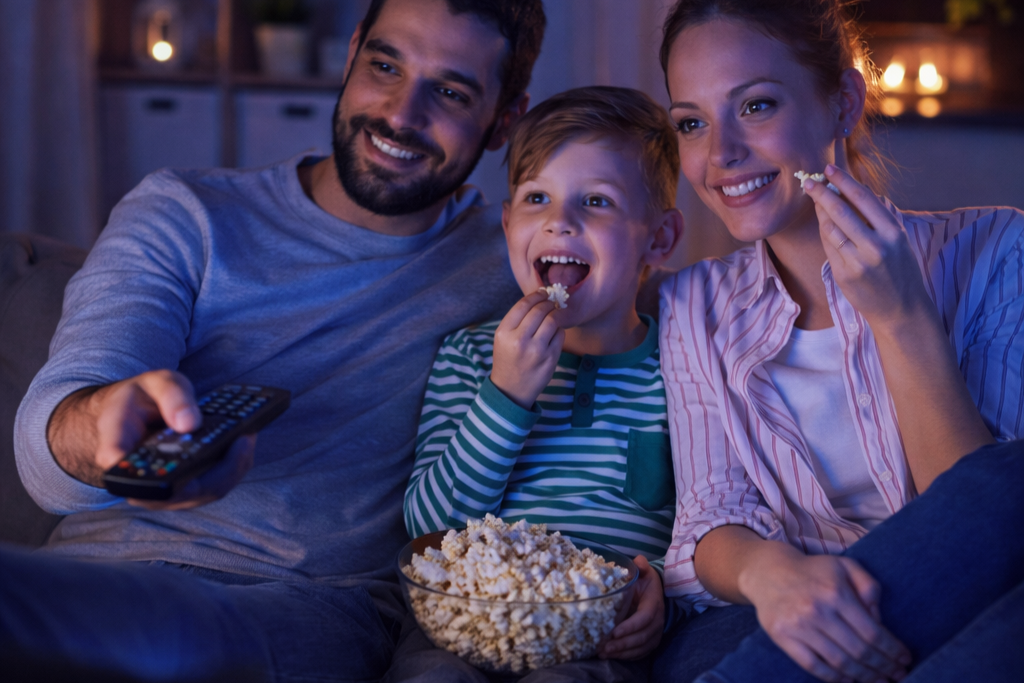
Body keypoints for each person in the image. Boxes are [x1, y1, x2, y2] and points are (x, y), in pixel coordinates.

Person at [3, 0, 546, 680]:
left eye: (451, 93)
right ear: (351, 54)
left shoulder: (522, 259)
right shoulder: (183, 212)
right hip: (93, 579)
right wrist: (101, 430)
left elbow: (652, 287)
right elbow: (51, 443)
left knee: (177, 636)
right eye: (384, 66)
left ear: (505, 119)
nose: (401, 114)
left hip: (300, 606)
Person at [650, 1, 1024, 682]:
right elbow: (709, 516)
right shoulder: (691, 304)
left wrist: (901, 317)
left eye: (756, 106)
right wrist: (774, 575)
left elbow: (989, 524)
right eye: (692, 123)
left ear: (844, 101)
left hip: (963, 604)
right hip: (780, 608)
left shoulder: (998, 251)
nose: (720, 154)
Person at [393, 86, 684, 682]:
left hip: (598, 638)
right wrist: (507, 394)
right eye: (537, 197)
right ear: (508, 225)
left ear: (658, 239)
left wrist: (663, 591)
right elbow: (429, 530)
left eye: (596, 200)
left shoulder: (686, 372)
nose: (559, 220)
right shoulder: (472, 356)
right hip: (463, 625)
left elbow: (706, 525)